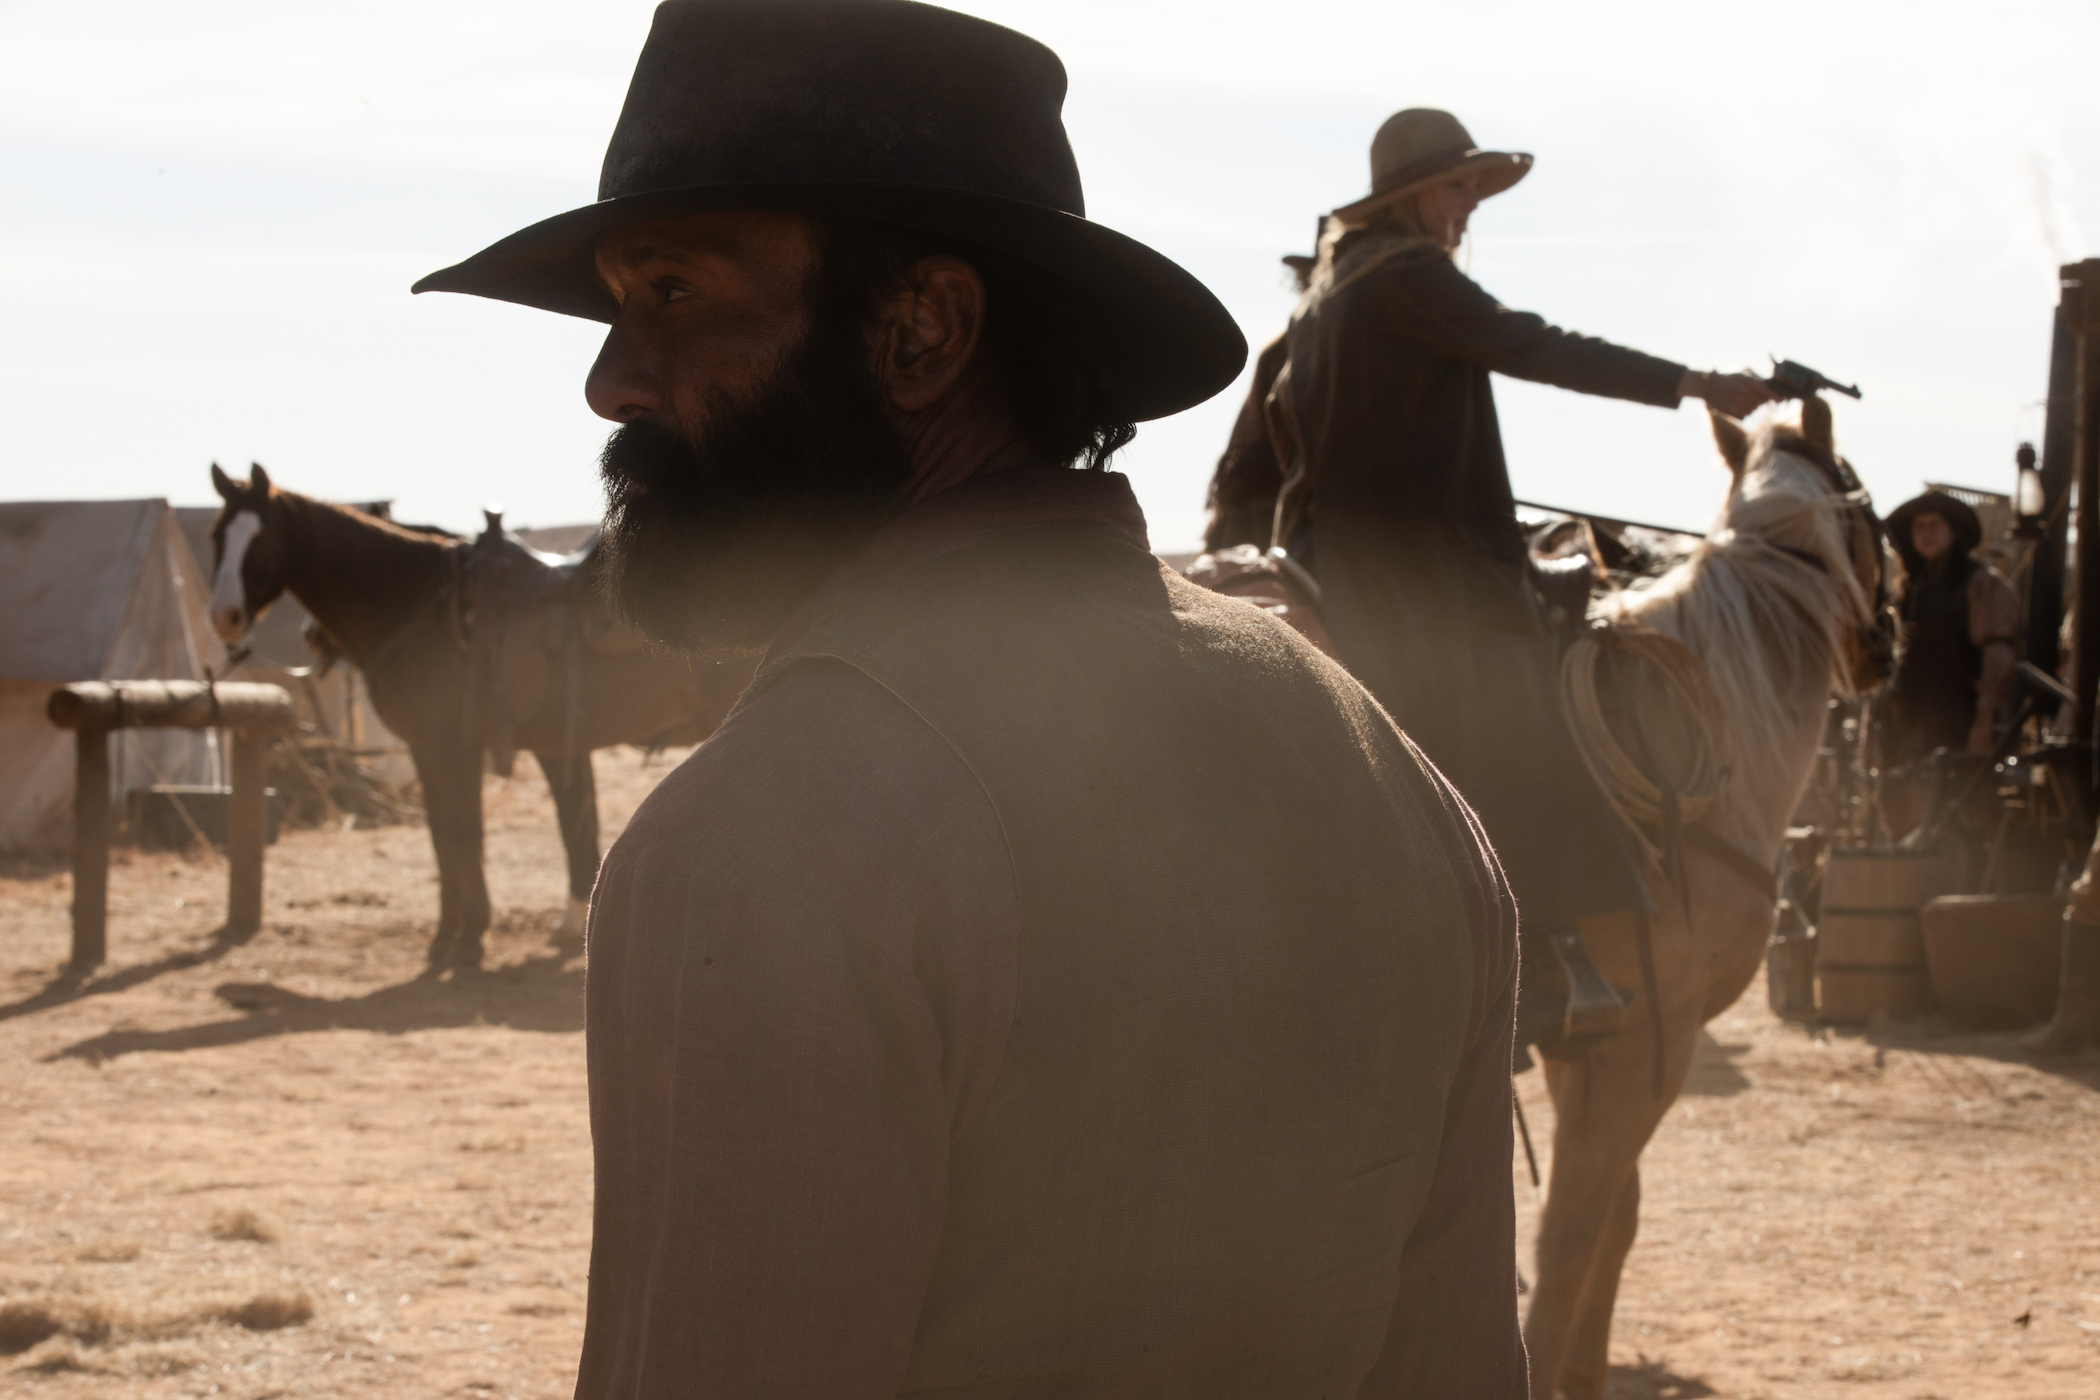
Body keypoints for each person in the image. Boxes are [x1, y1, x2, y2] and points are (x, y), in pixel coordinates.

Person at [414, 5, 1527, 1396]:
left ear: (922, 330)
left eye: (675, 294)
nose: (612, 377)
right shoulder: (1396, 783)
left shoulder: (768, 839)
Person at [1268, 107, 1775, 1044]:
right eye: (1459, 187)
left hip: (1335, 562)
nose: (1469, 207)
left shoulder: (1323, 303)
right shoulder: (1409, 275)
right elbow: (1536, 345)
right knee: (1528, 711)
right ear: (1413, 196)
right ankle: (1541, 956)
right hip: (1424, 575)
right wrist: (1696, 383)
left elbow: (1286, 443)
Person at [1878, 490, 2019, 767]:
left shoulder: (1979, 584)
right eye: (1919, 527)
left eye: (1934, 526)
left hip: (1957, 722)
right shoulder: (1907, 591)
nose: (1925, 534)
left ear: (1953, 531)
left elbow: (1998, 656)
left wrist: (1984, 720)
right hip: (1904, 726)